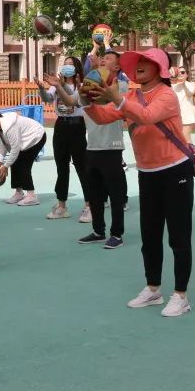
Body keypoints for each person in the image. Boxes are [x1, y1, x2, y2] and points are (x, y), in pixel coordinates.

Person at [84, 47, 194, 317]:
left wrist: (116, 99)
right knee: (150, 235)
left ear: (160, 68)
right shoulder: (131, 95)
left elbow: (145, 116)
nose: (141, 65)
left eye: (148, 61)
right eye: (139, 62)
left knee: (179, 237)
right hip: (147, 173)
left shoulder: (166, 95)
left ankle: (181, 295)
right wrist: (87, 99)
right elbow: (102, 116)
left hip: (175, 170)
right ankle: (153, 289)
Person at [78, 52, 129, 248]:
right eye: (102, 58)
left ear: (117, 67)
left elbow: (107, 101)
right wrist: (59, 86)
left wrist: (92, 84)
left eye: (107, 59)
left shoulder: (121, 87)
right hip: (92, 147)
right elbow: (74, 102)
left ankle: (117, 234)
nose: (102, 60)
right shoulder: (91, 85)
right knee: (94, 194)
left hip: (112, 147)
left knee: (115, 195)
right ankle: (98, 231)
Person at [38, 56, 89, 220]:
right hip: (61, 125)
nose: (67, 67)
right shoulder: (56, 84)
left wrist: (59, 85)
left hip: (77, 125)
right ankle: (61, 206)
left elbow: (73, 102)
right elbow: (48, 99)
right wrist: (41, 88)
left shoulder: (81, 85)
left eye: (70, 64)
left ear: (76, 68)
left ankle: (89, 205)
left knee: (82, 166)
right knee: (61, 167)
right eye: (65, 64)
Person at [0, 110, 47, 206]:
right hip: (24, 141)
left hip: (36, 136)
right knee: (14, 162)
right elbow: (2, 145)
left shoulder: (9, 126)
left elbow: (15, 149)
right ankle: (19, 193)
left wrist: (5, 166)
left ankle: (31, 196)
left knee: (23, 164)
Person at [172, 65, 195, 143]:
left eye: (183, 72)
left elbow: (190, 93)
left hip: (187, 115)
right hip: (175, 115)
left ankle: (192, 155)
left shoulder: (191, 84)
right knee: (176, 140)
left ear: (187, 74)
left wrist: (183, 83)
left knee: (186, 139)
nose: (180, 74)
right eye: (178, 72)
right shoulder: (172, 86)